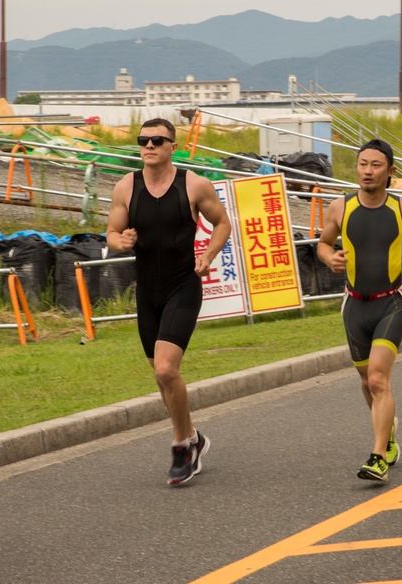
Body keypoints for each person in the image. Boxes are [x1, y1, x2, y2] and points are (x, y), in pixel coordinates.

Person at [106, 118, 231, 485]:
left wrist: (207, 255)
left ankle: (181, 447)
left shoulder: (193, 185)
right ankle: (194, 437)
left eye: (157, 140)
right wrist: (121, 242)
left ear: (172, 145)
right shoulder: (126, 187)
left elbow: (222, 223)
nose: (148, 146)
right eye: (143, 140)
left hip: (183, 286)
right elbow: (112, 233)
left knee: (165, 370)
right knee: (163, 378)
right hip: (147, 292)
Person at [317, 139, 402, 482]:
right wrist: (329, 258)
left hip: (391, 302)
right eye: (363, 163)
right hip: (354, 306)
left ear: (390, 171)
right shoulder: (340, 207)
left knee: (379, 377)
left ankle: (377, 456)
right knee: (367, 381)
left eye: (376, 165)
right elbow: (322, 243)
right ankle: (388, 434)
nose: (367, 170)